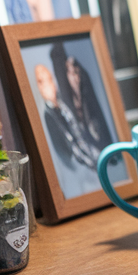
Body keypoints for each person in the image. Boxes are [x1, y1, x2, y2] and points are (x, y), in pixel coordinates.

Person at [34, 62, 106, 198]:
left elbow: (80, 131)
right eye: (41, 82)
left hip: (90, 162)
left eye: (49, 79)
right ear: (38, 87)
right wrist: (76, 167)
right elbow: (61, 151)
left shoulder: (64, 105)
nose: (48, 85)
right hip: (78, 172)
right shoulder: (48, 116)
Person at [49, 42, 114, 153]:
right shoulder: (63, 100)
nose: (75, 77)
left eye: (76, 72)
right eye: (70, 72)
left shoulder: (85, 93)